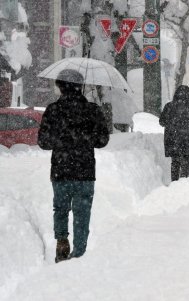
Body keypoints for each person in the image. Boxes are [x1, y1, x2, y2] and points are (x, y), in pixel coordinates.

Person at [38, 69, 110, 263]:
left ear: (60, 86)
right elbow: (103, 140)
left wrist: (62, 138)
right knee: (82, 212)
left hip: (60, 170)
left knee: (60, 209)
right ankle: (79, 252)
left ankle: (62, 241)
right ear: (81, 87)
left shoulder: (53, 110)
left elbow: (43, 142)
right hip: (85, 171)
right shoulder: (92, 110)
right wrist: (84, 137)